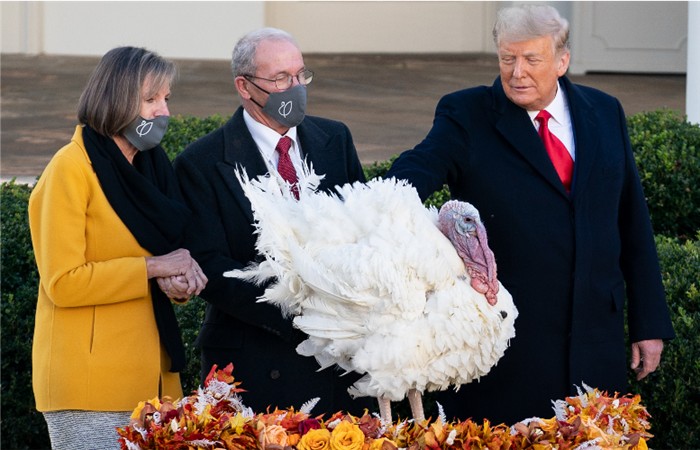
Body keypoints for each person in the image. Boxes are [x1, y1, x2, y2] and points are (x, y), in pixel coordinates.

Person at [385, 4, 675, 425]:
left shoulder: (605, 111)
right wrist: (385, 200)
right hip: (509, 345)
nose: (517, 72)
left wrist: (649, 323)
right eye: (507, 58)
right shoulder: (466, 114)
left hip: (598, 340)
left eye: (531, 59)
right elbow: (421, 165)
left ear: (562, 61)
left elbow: (632, 223)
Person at [173, 28, 373, 414]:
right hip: (256, 357)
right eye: (281, 79)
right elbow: (209, 265)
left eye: (300, 75)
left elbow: (363, 226)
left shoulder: (335, 139)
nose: (295, 87)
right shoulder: (202, 162)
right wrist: (303, 307)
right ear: (245, 87)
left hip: (338, 359)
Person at [28, 46, 207, 449]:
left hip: (156, 382)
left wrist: (176, 284)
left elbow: (159, 263)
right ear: (115, 100)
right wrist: (154, 267)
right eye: (150, 100)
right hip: (89, 384)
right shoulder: (69, 168)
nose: (163, 112)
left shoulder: (151, 168)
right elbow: (64, 282)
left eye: (166, 99)